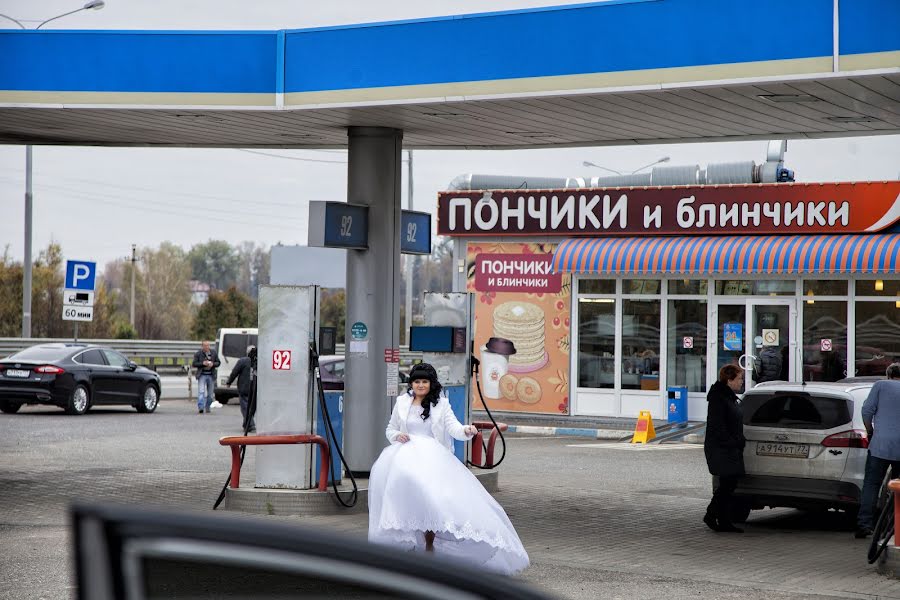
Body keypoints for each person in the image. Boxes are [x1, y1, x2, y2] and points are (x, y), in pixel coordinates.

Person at [368, 362, 529, 575]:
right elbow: (390, 428)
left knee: (434, 501)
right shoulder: (402, 402)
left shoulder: (441, 405)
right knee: (405, 499)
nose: (420, 385)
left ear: (431, 383)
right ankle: (406, 546)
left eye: (425, 381)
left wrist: (467, 430)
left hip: (433, 458)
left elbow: (454, 428)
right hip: (403, 458)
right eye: (417, 381)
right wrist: (397, 436)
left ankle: (429, 544)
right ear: (411, 383)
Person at [855, 363, 900, 538]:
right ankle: (893, 527)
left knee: (872, 484)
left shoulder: (880, 386)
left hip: (880, 444)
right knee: (898, 488)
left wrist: (870, 430)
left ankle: (864, 525)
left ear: (888, 375)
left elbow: (867, 410)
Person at [703, 364, 746, 533]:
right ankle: (712, 515)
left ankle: (722, 519)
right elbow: (717, 426)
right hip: (721, 448)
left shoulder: (728, 397)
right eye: (739, 378)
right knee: (728, 483)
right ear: (729, 380)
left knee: (729, 483)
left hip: (729, 447)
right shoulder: (719, 398)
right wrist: (733, 442)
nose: (742, 382)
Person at [226, 345, 255, 432]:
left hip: (244, 388)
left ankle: (251, 425)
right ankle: (246, 424)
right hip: (254, 388)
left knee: (245, 407)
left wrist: (229, 382)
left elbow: (234, 372)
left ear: (247, 352)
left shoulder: (242, 361)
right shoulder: (259, 362)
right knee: (252, 407)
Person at [191, 340, 220, 414]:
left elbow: (218, 362)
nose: (207, 347)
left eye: (208, 345)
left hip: (211, 375)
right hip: (202, 375)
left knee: (210, 394)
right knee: (201, 392)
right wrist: (203, 363)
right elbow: (194, 363)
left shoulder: (213, 353)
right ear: (202, 346)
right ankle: (201, 407)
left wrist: (212, 364)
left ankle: (207, 407)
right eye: (205, 345)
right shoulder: (198, 353)